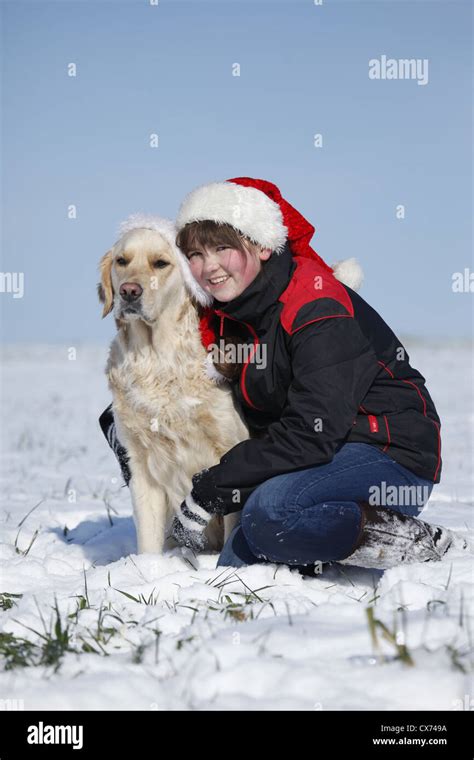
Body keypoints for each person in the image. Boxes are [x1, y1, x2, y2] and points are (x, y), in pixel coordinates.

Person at [99, 177, 469, 571]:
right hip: (321, 454)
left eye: (223, 248)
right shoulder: (235, 313)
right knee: (238, 556)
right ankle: (310, 538)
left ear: (261, 245)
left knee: (269, 513)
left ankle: (413, 541)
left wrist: (216, 488)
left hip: (389, 457)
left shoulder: (316, 305)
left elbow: (312, 431)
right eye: (196, 254)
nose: (209, 267)